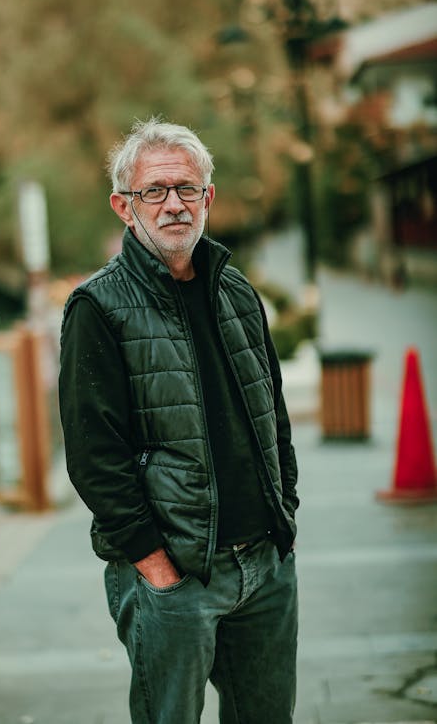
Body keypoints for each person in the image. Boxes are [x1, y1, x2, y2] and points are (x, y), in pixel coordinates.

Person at [58, 118, 299, 724]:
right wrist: (156, 569)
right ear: (124, 206)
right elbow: (94, 457)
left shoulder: (236, 291)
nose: (172, 204)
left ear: (208, 198)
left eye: (186, 188)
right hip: (173, 577)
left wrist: (283, 519)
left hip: (263, 568)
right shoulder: (98, 306)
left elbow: (274, 412)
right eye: (154, 191)